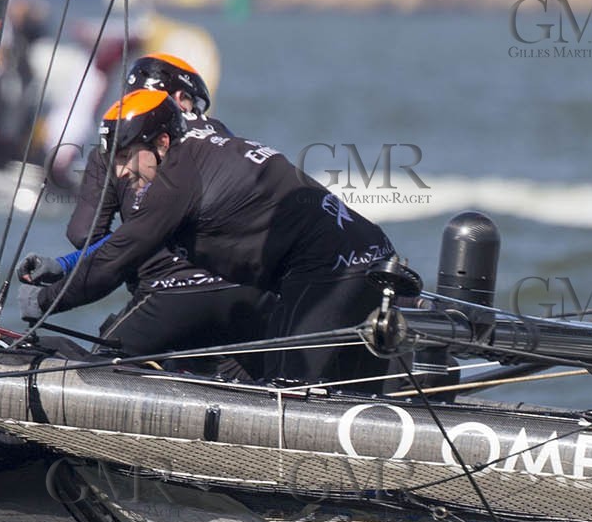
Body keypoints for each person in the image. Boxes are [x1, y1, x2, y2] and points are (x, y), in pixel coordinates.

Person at [20, 89, 397, 387]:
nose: (119, 172)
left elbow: (115, 261)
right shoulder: (198, 152)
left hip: (332, 271)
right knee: (345, 391)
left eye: (126, 156)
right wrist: (64, 266)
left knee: (287, 392)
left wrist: (45, 301)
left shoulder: (175, 181)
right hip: (367, 256)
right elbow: (128, 241)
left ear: (162, 142)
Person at [53, 53, 272, 377]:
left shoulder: (110, 148)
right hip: (244, 291)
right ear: (181, 98)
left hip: (167, 295)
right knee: (239, 379)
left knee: (105, 367)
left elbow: (83, 235)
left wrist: (124, 250)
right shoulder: (220, 136)